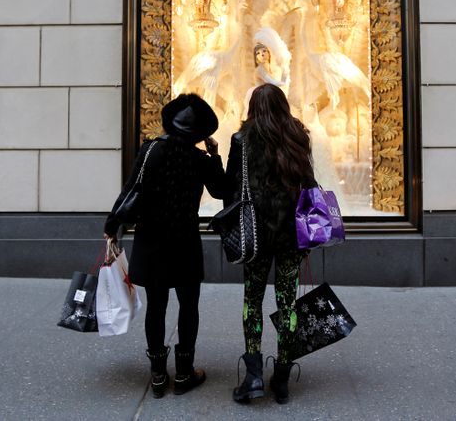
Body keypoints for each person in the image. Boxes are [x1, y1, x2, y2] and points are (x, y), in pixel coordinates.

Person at [104, 93, 228, 399]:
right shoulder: (199, 159)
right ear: (200, 133)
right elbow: (224, 190)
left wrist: (113, 227)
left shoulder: (151, 151)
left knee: (156, 308)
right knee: (189, 307)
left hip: (151, 241)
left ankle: (158, 377)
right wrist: (214, 154)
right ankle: (184, 374)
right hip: (185, 240)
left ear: (169, 123)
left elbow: (131, 190)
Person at [225, 83, 317, 405]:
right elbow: (309, 185)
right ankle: (281, 378)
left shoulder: (241, 141)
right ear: (283, 105)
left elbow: (230, 190)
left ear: (253, 107)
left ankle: (252, 376)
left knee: (253, 299)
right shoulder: (297, 136)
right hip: (291, 234)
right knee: (288, 303)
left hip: (256, 236)